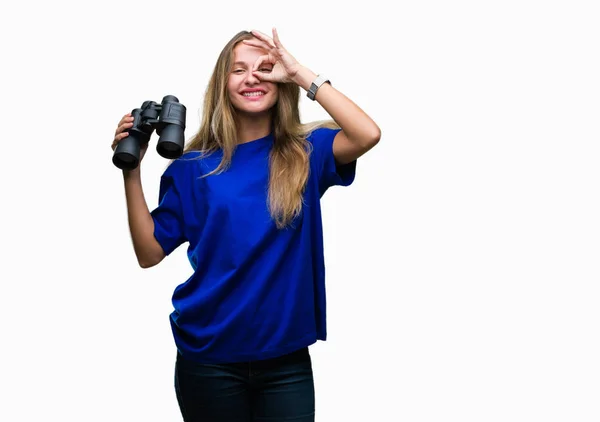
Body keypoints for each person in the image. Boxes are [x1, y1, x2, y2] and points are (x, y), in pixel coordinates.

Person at [112, 27, 381, 422]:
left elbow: (367, 133)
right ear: (222, 84)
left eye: (265, 68)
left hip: (284, 361)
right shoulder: (192, 167)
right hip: (209, 359)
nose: (253, 77)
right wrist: (130, 173)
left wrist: (300, 72)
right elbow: (149, 253)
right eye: (239, 69)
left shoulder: (307, 153)